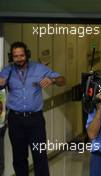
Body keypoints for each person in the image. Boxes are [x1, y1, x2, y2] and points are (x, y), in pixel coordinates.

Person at [0, 41, 65, 176]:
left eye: (22, 55)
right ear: (11, 57)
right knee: (19, 158)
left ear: (27, 55)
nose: (19, 59)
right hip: (15, 120)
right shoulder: (8, 70)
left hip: (35, 121)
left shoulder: (39, 68)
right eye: (16, 56)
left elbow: (62, 80)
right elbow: (1, 82)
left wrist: (52, 80)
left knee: (39, 156)